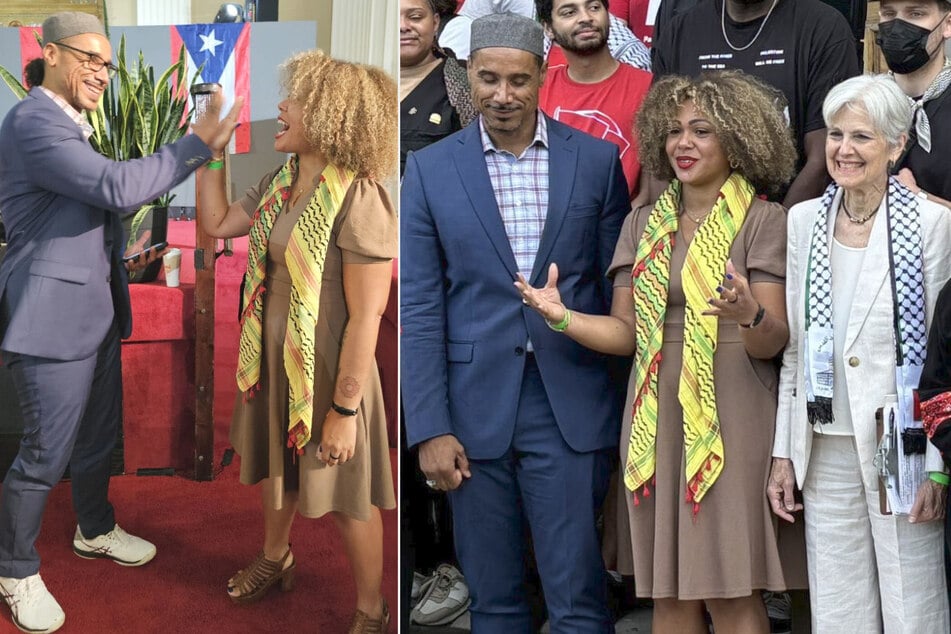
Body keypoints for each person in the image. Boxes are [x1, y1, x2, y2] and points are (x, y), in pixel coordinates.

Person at [518, 69, 797, 633]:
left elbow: (774, 339)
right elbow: (627, 335)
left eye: (701, 131)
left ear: (738, 138)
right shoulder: (641, 222)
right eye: (672, 132)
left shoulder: (765, 220)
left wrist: (748, 313)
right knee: (668, 596)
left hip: (733, 408)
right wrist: (562, 316)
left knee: (730, 591)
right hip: (652, 411)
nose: (683, 144)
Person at [0, 11, 239, 634]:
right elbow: (113, 185)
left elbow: (105, 201)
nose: (102, 73)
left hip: (96, 311)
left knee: (96, 441)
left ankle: (95, 527)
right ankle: (15, 568)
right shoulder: (32, 120)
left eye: (107, 63)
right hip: (51, 319)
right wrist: (197, 143)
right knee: (43, 455)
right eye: (89, 59)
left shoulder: (69, 123)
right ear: (49, 54)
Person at [401, 12, 630, 632]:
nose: (502, 96)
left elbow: (619, 303)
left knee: (579, 600)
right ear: (468, 76)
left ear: (542, 77)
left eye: (518, 81)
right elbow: (422, 305)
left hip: (570, 410)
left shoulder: (597, 163)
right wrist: (428, 428)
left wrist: (613, 415)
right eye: (488, 78)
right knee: (495, 602)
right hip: (471, 414)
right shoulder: (429, 170)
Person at [195, 50, 397, 633]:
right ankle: (276, 556)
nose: (280, 107)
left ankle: (371, 610)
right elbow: (216, 224)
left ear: (332, 118)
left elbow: (366, 319)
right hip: (275, 361)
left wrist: (343, 411)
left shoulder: (360, 197)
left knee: (345, 493)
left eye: (297, 100)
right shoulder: (281, 182)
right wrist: (212, 156)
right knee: (277, 470)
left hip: (334, 369)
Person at [769, 74, 951, 632]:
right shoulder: (803, 221)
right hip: (824, 441)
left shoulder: (932, 223)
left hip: (904, 441)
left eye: (862, 138)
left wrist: (939, 466)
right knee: (838, 603)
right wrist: (784, 452)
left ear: (896, 145)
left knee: (911, 599)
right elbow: (796, 351)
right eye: (835, 134)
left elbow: (943, 358)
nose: (843, 150)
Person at [652, 0, 860, 208]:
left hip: (787, 219)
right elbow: (657, 148)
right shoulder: (680, 31)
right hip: (692, 224)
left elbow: (825, 154)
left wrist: (776, 228)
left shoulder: (824, 27)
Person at [537, 0, 652, 201]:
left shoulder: (649, 88)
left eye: (594, 7)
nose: (586, 18)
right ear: (548, 28)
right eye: (569, 12)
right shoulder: (539, 88)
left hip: (622, 225)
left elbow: (652, 186)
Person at [878, 0, 951, 208]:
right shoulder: (865, 105)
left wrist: (919, 198)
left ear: (948, 25)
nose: (898, 27)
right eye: (889, 14)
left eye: (916, 14)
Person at [400, 0, 477, 176]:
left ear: (435, 22)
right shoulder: (364, 85)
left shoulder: (462, 82)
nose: (402, 26)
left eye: (415, 17)